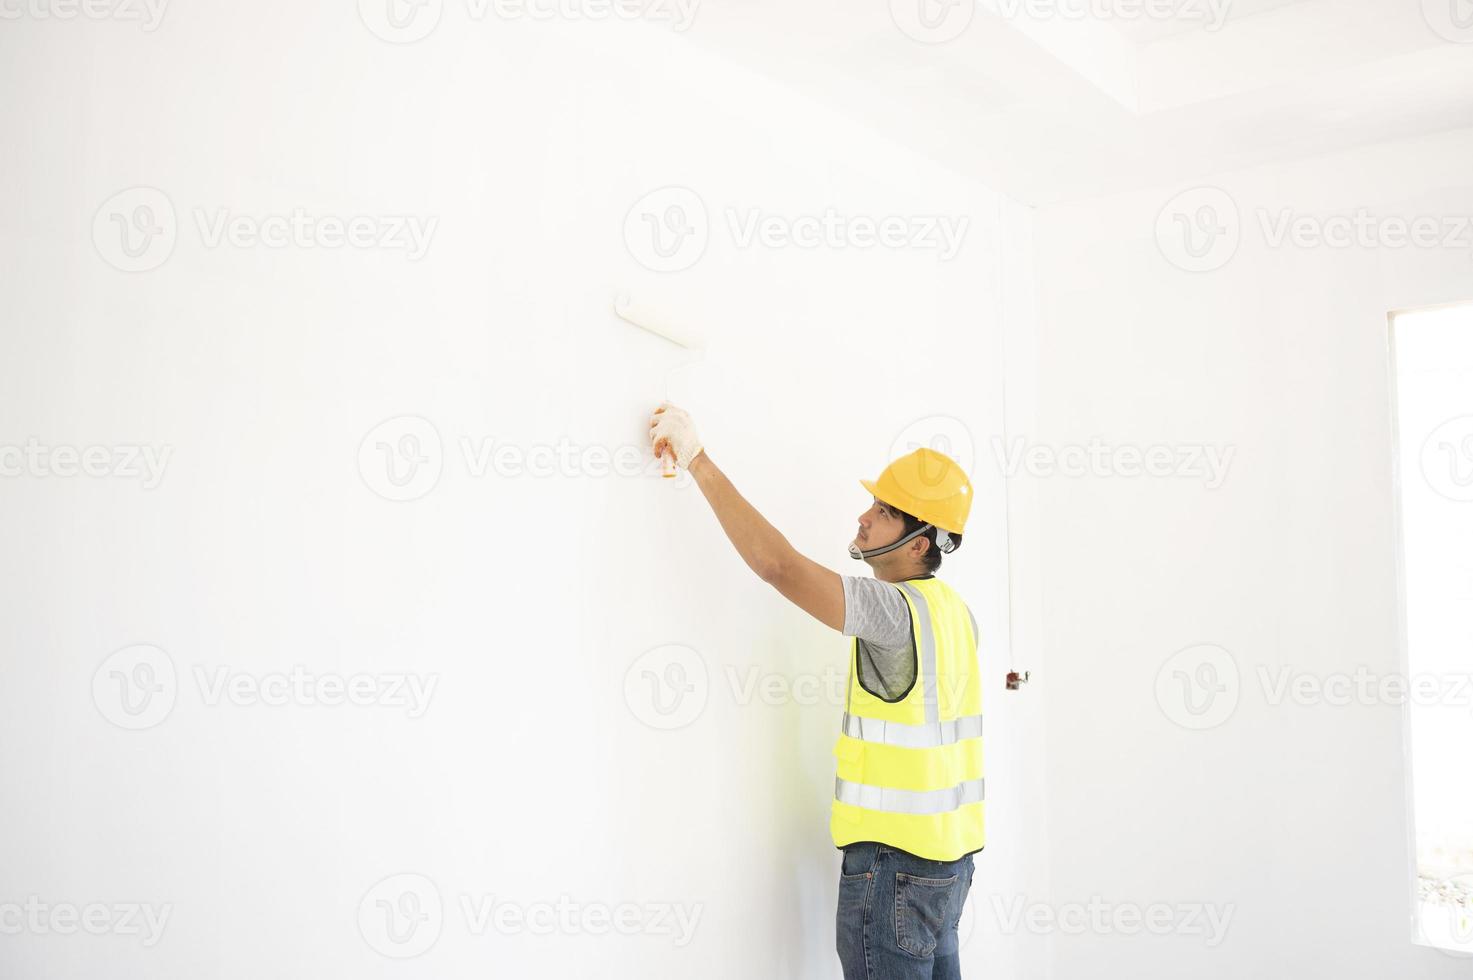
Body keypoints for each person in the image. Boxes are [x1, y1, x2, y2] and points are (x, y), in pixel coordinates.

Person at [649, 403, 984, 980]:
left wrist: (697, 458)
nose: (863, 518)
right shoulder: (957, 614)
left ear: (919, 544)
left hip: (893, 871)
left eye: (882, 513)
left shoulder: (893, 610)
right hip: (949, 868)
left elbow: (777, 565)